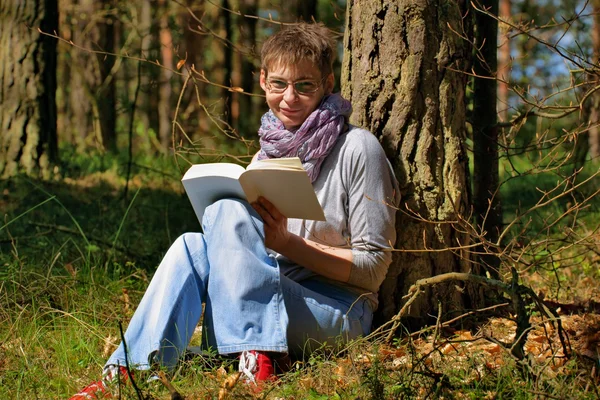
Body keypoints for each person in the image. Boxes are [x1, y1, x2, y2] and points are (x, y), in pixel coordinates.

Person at [70, 22, 399, 399]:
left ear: (327, 83)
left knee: (229, 211)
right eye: (279, 84)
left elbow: (372, 272)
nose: (289, 97)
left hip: (337, 312)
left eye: (304, 85)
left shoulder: (358, 149)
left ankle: (257, 357)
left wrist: (288, 244)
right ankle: (129, 371)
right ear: (262, 81)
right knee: (192, 245)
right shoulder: (266, 156)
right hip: (262, 303)